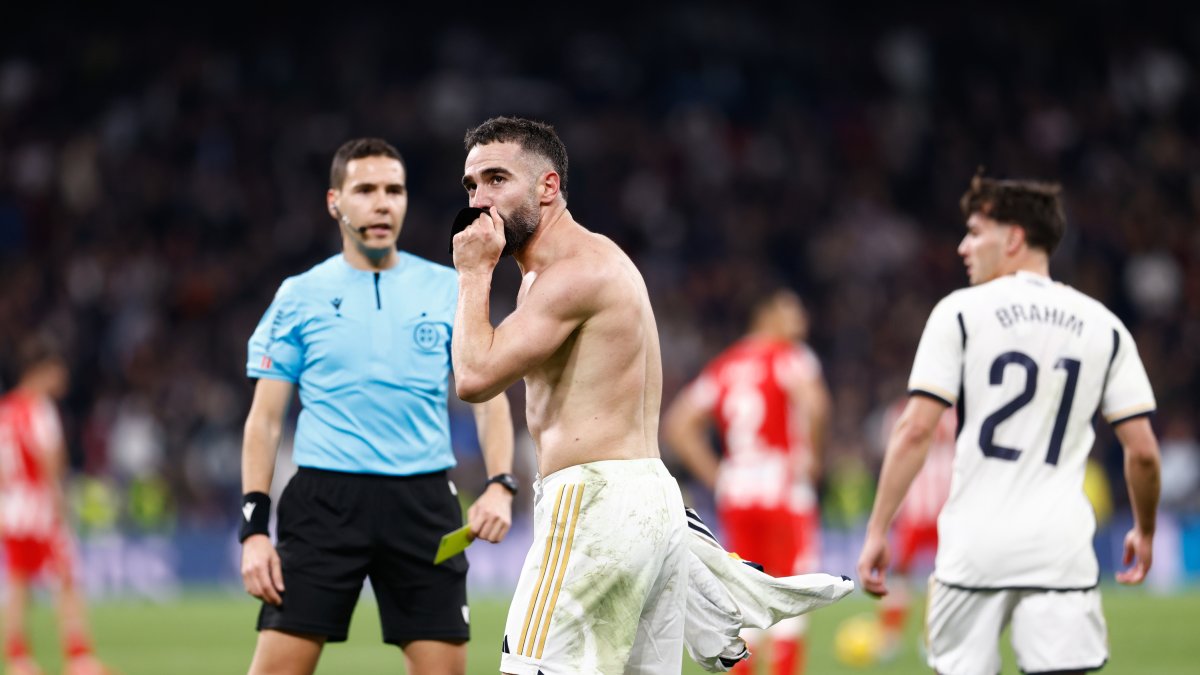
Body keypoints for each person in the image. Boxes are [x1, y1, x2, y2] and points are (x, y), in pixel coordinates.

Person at [857, 174, 1162, 675]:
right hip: (1060, 550)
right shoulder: (1104, 326)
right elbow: (1144, 452)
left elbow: (914, 430)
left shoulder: (959, 313)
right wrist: (1145, 530)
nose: (963, 246)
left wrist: (877, 528)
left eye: (976, 232)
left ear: (1014, 238)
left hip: (974, 547)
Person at [239, 137, 516, 675]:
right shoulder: (299, 295)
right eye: (365, 190)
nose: (382, 203)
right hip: (324, 502)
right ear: (334, 202)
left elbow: (487, 398)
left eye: (394, 190)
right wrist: (253, 531)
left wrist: (501, 485)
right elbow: (265, 420)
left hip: (423, 505)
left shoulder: (449, 288)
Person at [451, 116, 688, 674]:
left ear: (547, 187)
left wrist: (471, 274)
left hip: (593, 500)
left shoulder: (573, 273)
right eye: (471, 185)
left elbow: (474, 377)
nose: (479, 200)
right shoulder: (578, 264)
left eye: (497, 179)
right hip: (646, 499)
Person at [663, 288, 831, 675]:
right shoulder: (792, 357)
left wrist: (717, 475)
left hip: (737, 493)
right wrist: (814, 459)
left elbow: (677, 425)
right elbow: (816, 405)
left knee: (743, 593)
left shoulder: (726, 365)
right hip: (783, 490)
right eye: (792, 311)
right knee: (793, 592)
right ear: (767, 315)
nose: (801, 320)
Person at [0, 338, 111, 675]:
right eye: (57, 369)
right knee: (66, 580)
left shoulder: (6, 410)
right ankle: (80, 657)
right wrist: (61, 507)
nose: (62, 377)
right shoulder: (39, 409)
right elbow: (52, 462)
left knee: (18, 584)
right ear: (41, 371)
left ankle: (19, 659)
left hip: (10, 510)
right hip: (41, 510)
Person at [872, 398, 955, 660]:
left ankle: (933, 637)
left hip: (945, 508)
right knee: (901, 574)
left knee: (945, 576)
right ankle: (893, 637)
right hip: (919, 509)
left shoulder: (955, 414)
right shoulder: (901, 412)